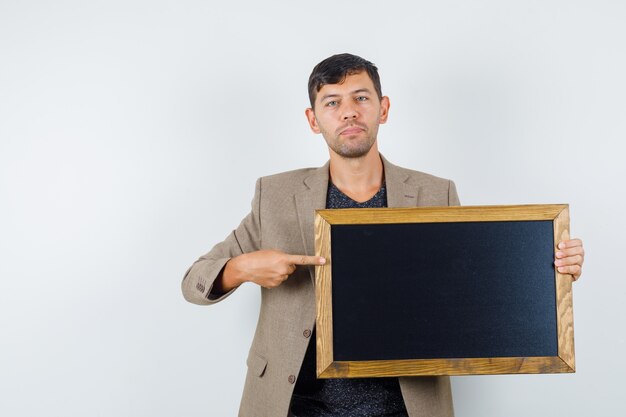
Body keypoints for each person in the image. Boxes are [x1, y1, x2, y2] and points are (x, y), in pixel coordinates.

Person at [181, 53, 585, 417]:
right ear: (313, 119)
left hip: (405, 406)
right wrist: (242, 267)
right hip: (295, 406)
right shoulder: (276, 195)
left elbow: (473, 292)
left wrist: (548, 267)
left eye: (361, 98)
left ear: (383, 108)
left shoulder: (434, 193)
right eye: (332, 102)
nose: (349, 112)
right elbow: (194, 281)